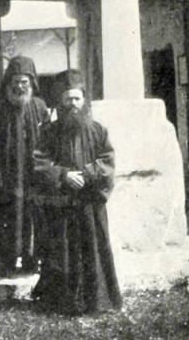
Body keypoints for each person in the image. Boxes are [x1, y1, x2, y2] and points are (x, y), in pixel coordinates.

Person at [32, 69, 122, 315]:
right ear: (60, 102)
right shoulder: (48, 132)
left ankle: (96, 301)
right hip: (61, 205)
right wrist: (63, 175)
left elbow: (108, 162)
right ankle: (62, 302)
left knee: (93, 250)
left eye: (77, 98)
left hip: (89, 204)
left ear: (84, 100)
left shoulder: (99, 131)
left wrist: (87, 173)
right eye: (67, 99)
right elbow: (39, 163)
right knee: (61, 251)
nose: (72, 104)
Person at [0, 56, 50, 277]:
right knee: (8, 217)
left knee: (35, 217)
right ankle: (8, 262)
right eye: (15, 82)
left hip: (35, 173)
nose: (19, 86)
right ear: (9, 83)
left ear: (32, 83)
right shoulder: (0, 109)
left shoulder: (40, 106)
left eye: (24, 82)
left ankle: (31, 260)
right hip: (9, 173)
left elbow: (49, 137)